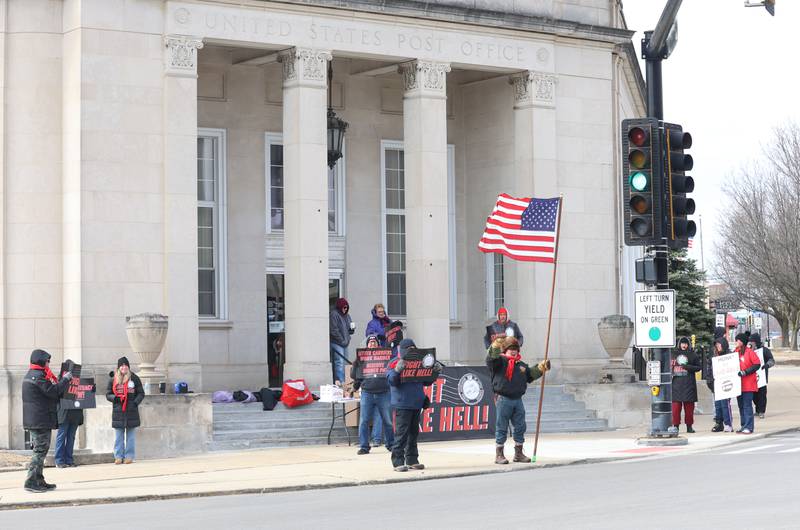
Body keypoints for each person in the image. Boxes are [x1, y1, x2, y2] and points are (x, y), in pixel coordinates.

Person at [486, 336, 549, 464]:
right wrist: (495, 346)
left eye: (515, 349)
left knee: (520, 426)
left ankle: (518, 454)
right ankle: (499, 455)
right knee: (501, 427)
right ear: (505, 350)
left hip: (518, 400)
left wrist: (541, 368)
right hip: (503, 399)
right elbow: (491, 358)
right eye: (510, 348)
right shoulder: (499, 362)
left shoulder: (521, 365)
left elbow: (530, 374)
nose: (513, 351)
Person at [22, 349, 72, 492]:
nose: (49, 363)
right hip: (39, 419)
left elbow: (51, 390)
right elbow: (53, 392)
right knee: (39, 451)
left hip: (39, 418)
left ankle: (39, 479)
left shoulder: (36, 374)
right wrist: (66, 379)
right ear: (41, 361)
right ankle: (31, 481)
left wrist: (61, 381)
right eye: (47, 361)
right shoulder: (38, 376)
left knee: (41, 451)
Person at [386, 338, 440, 472]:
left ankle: (412, 459)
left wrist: (435, 372)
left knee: (413, 434)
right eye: (408, 349)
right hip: (402, 404)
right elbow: (391, 381)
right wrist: (397, 371)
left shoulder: (420, 362)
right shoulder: (394, 363)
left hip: (416, 403)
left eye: (413, 349)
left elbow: (426, 381)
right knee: (401, 434)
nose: (411, 352)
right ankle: (397, 461)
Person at [351, 335, 394, 455]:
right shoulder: (362, 358)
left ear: (378, 345)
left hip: (384, 392)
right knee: (364, 420)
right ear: (367, 345)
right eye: (370, 342)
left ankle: (391, 444)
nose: (372, 344)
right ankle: (364, 446)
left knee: (388, 421)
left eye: (374, 342)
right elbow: (354, 376)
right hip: (367, 392)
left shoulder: (385, 357)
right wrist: (356, 364)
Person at [106, 357, 144, 464]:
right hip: (118, 412)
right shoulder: (113, 380)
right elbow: (108, 394)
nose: (124, 367)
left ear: (128, 367)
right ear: (118, 367)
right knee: (119, 436)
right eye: (122, 366)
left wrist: (135, 402)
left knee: (131, 436)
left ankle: (129, 456)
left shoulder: (134, 378)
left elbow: (141, 393)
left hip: (131, 411)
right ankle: (118, 456)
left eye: (125, 365)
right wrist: (115, 398)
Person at [54, 359, 87, 468]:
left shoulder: (79, 381)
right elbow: (56, 394)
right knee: (61, 436)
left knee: (71, 436)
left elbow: (84, 395)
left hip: (75, 412)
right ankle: (59, 460)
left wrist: (90, 390)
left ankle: (69, 459)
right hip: (64, 412)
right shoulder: (59, 381)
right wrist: (65, 380)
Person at [671, 336, 702, 433]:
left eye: (685, 343)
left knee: (689, 409)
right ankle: (675, 426)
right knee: (676, 408)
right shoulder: (673, 354)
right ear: (679, 344)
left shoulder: (693, 355)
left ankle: (689, 426)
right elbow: (669, 366)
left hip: (689, 385)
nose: (684, 345)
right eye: (682, 343)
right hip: (676, 385)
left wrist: (687, 367)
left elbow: (698, 367)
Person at [734, 333, 761, 434]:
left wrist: (746, 372)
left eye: (737, 340)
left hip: (748, 384)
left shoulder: (750, 352)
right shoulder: (735, 352)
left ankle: (749, 427)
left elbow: (757, 364)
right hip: (738, 385)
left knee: (747, 405)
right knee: (741, 406)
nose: (736, 342)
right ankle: (743, 425)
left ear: (742, 342)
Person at [706, 332, 733, 433]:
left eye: (719, 345)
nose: (718, 347)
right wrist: (709, 381)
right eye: (716, 345)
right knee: (717, 405)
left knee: (725, 404)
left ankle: (728, 423)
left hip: (726, 383)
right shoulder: (714, 356)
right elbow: (709, 369)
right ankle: (719, 423)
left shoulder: (729, 355)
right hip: (716, 383)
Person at [748, 332, 775, 419]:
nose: (750, 343)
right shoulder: (749, 350)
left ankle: (761, 411)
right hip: (752, 377)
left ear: (756, 342)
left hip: (762, 377)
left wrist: (767, 365)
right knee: (754, 396)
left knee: (762, 395)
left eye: (752, 341)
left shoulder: (764, 350)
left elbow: (771, 360)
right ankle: (757, 410)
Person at [329, 297, 354, 385]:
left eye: (346, 308)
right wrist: (342, 340)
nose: (345, 309)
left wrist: (351, 330)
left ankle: (343, 380)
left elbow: (349, 327)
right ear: (340, 307)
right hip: (337, 342)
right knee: (339, 362)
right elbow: (334, 330)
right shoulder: (334, 314)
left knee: (344, 362)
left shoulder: (347, 316)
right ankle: (340, 381)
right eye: (344, 307)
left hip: (345, 342)